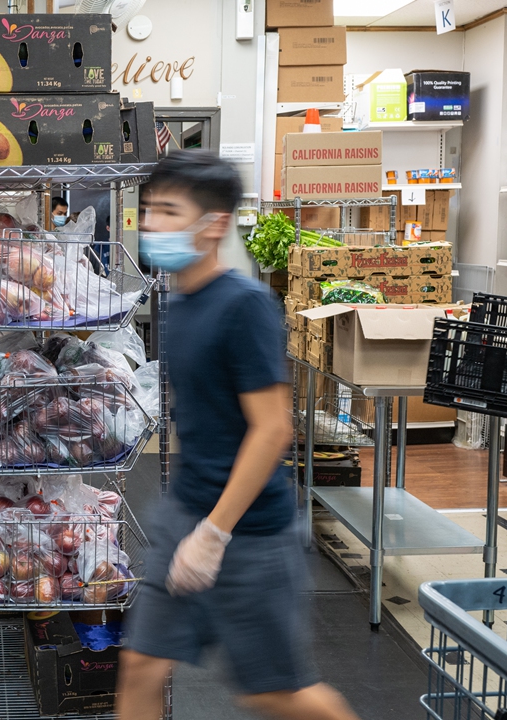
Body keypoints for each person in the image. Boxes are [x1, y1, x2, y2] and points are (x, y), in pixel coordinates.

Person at [116, 150, 360, 720]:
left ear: (215, 224)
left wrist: (215, 534)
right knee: (142, 666)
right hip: (188, 513)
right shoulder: (178, 302)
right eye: (148, 209)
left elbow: (272, 429)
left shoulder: (245, 305)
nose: (150, 224)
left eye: (168, 211)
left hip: (249, 534)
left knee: (272, 692)